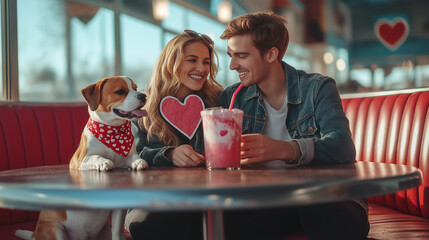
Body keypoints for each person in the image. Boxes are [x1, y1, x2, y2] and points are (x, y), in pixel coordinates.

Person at [220, 11, 369, 240]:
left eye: (241, 55)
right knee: (218, 222)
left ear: (271, 54)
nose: (232, 65)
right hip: (271, 203)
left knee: (317, 210)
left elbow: (342, 147)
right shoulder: (232, 98)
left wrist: (285, 149)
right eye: (231, 55)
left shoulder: (318, 88)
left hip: (329, 197)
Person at [125, 30, 223, 240]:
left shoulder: (216, 103)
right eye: (192, 60)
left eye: (206, 62)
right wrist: (168, 154)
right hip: (150, 201)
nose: (202, 68)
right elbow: (132, 157)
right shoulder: (142, 105)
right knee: (160, 225)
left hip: (203, 199)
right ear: (171, 63)